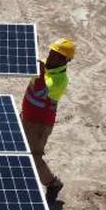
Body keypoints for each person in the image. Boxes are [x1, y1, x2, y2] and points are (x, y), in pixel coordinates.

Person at [21, 38, 75, 200]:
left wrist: (40, 71)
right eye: (52, 52)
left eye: (57, 55)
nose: (52, 56)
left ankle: (52, 183)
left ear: (65, 60)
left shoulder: (60, 81)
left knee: (33, 157)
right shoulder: (45, 65)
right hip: (27, 116)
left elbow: (39, 91)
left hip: (39, 126)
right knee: (17, 146)